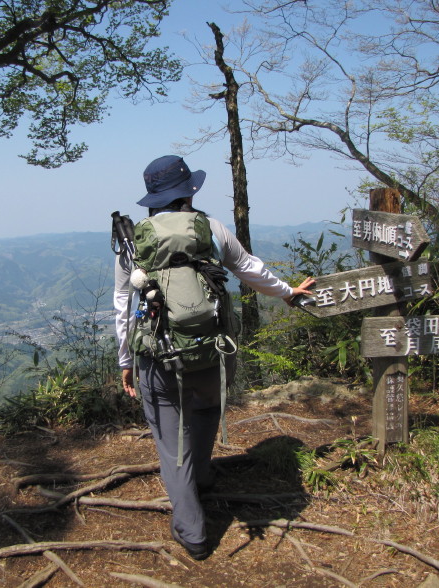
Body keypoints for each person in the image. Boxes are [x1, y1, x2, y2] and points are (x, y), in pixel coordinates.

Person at [113, 155, 315, 560]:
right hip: (214, 349)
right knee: (206, 411)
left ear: (153, 196)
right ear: (189, 191)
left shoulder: (133, 239)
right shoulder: (212, 229)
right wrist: (289, 292)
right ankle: (201, 474)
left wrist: (126, 360)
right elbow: (250, 269)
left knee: (171, 443)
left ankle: (193, 533)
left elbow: (122, 302)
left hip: (160, 357)